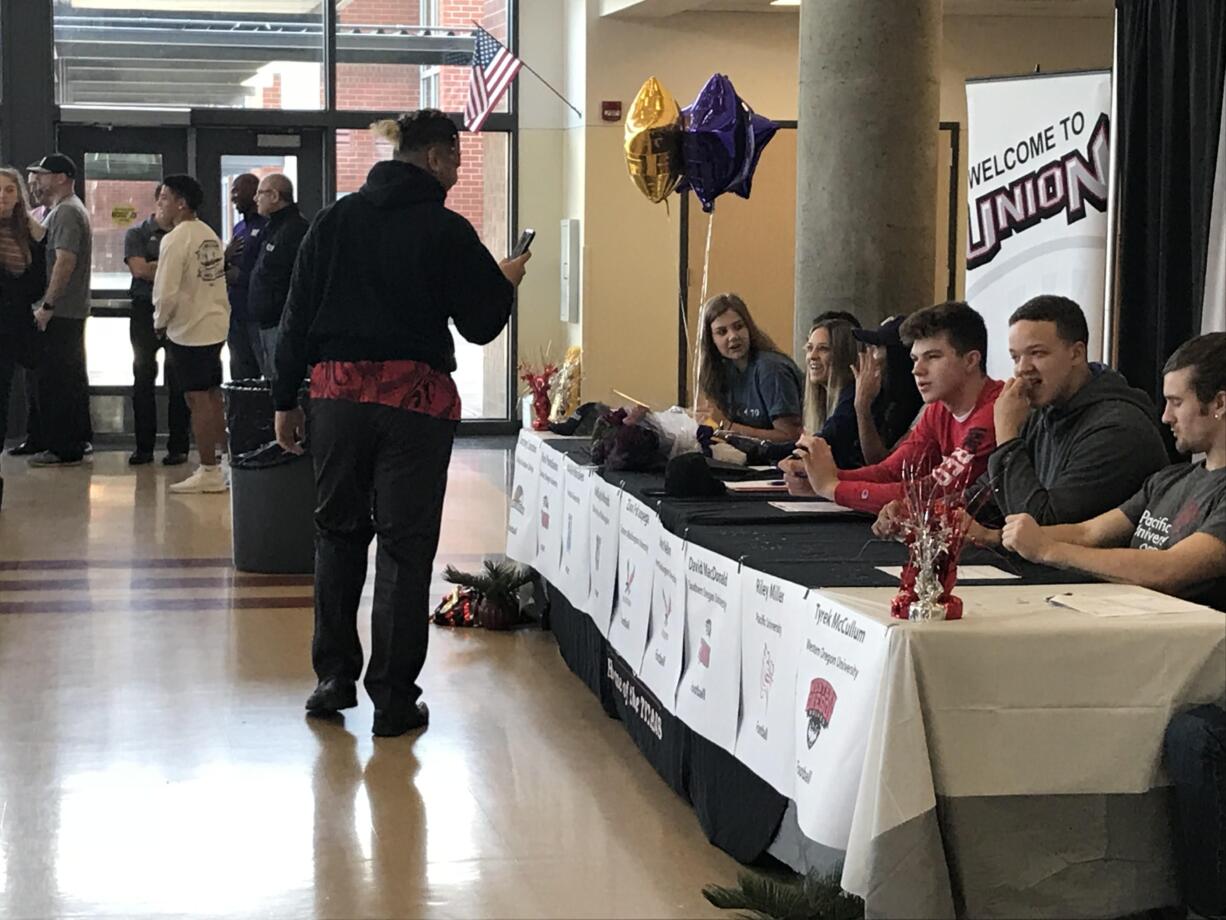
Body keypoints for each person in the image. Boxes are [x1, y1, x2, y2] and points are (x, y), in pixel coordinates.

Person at [272, 109, 530, 737]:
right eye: (457, 160)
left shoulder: (334, 220)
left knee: (336, 536)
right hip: (414, 404)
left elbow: (295, 314)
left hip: (336, 401)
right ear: (436, 157)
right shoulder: (446, 229)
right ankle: (392, 700)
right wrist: (505, 279)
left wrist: (285, 399)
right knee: (404, 547)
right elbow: (479, 323)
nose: (458, 171)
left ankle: (332, 678)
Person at [1000, 332, 1226, 610]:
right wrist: (1000, 536)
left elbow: (1169, 570)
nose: (1166, 416)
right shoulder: (1169, 480)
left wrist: (1048, 550)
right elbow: (1088, 533)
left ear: (1219, 404)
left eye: (1177, 402)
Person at [967, 295, 1169, 540]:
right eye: (1015, 357)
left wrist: (1007, 434)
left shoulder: (1118, 429)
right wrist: (940, 512)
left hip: (1097, 575)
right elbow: (984, 499)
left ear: (1076, 353)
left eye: (1037, 353)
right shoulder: (1042, 413)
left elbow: (1040, 529)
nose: (1022, 368)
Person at [782, 300, 1003, 515]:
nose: (917, 370)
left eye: (933, 357)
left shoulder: (993, 411)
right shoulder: (939, 408)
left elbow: (932, 490)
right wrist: (822, 478)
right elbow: (891, 471)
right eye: (915, 359)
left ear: (971, 360)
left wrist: (833, 487)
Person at [151, 175, 231, 494]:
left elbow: (166, 290)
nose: (160, 204)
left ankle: (209, 468)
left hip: (189, 330)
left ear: (181, 203)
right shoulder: (208, 233)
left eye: (165, 198)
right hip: (213, 324)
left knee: (197, 399)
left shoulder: (176, 238)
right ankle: (227, 459)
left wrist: (159, 320)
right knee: (211, 395)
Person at [24, 154, 93, 467]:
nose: (37, 180)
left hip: (61, 312)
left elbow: (65, 261)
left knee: (58, 380)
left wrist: (48, 305)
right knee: (62, 377)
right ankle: (56, 439)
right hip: (62, 311)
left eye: (43, 174)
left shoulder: (67, 212)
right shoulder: (58, 211)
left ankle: (64, 445)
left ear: (63, 177)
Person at [124, 184, 189, 467]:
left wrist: (158, 267)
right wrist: (172, 267)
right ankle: (144, 448)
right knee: (143, 378)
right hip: (143, 312)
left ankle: (179, 448)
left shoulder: (185, 235)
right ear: (155, 202)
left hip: (178, 312)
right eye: (160, 198)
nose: (164, 203)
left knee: (178, 382)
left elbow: (190, 272)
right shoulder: (137, 233)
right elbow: (139, 269)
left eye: (168, 198)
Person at [697, 292, 803, 444]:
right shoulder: (722, 371)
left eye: (738, 327)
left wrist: (726, 426)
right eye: (722, 332)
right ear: (711, 340)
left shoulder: (771, 370)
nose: (733, 336)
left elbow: (790, 437)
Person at [0, 168, 47, 485]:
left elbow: (35, 285)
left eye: (9, 190)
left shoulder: (29, 234)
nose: (2, 197)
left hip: (12, 328)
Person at [248, 173, 308, 378]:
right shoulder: (273, 228)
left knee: (285, 384)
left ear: (274, 196)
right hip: (266, 322)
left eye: (260, 193)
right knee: (272, 383)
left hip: (282, 324)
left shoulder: (294, 230)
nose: (256, 199)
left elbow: (297, 278)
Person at [849, 315, 925, 465]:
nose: (871, 356)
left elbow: (884, 464)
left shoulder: (929, 406)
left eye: (877, 348)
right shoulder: (886, 398)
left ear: (897, 357)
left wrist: (862, 406)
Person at [801, 318, 863, 468]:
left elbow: (821, 441)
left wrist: (761, 449)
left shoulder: (852, 396)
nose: (812, 356)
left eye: (823, 349)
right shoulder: (823, 399)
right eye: (809, 348)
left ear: (843, 355)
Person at [224, 173, 267, 381]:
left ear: (253, 192)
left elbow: (271, 272)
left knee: (267, 373)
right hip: (236, 312)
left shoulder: (268, 226)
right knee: (240, 375)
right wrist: (225, 258)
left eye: (236, 190)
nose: (232, 196)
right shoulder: (239, 228)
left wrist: (240, 277)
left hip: (259, 315)